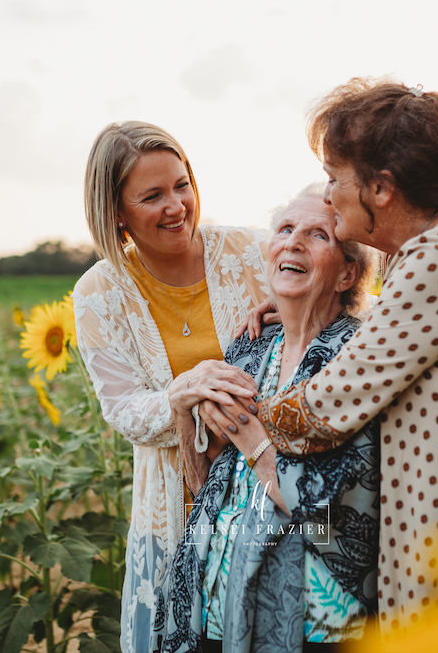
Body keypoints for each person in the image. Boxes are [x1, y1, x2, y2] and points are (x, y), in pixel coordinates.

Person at [200, 78, 438, 635]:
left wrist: (237, 413)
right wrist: (293, 305)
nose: (329, 197)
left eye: (336, 180)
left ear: (381, 189)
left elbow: (321, 412)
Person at [72, 121, 271, 653]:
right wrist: (180, 395)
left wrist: (304, 299)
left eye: (182, 185)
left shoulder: (253, 254)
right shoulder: (99, 292)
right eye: (152, 195)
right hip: (175, 508)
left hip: (272, 499)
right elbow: (122, 409)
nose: (177, 205)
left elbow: (339, 291)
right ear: (116, 211)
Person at [157, 188, 380, 653]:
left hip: (312, 623)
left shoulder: (356, 365)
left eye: (318, 234)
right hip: (216, 608)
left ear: (347, 273)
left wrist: (253, 440)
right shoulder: (252, 349)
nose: (293, 242)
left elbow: (330, 527)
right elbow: (208, 493)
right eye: (284, 229)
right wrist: (182, 411)